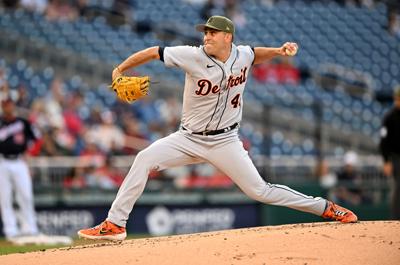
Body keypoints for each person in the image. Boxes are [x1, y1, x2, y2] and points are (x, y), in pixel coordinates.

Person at [78, 15, 357, 241]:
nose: (206, 36)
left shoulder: (242, 54)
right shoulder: (192, 55)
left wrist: (278, 51)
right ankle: (115, 224)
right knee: (144, 159)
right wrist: (120, 70)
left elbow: (254, 54)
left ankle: (325, 207)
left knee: (260, 191)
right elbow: (154, 51)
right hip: (187, 138)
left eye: (213, 32)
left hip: (226, 141)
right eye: (205, 32)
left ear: (228, 37)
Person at [0, 97, 40, 241]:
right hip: (2, 161)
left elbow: (37, 138)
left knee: (25, 195)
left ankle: (30, 228)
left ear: (13, 106)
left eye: (9, 104)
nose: (7, 107)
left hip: (19, 161)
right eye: (5, 105)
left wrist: (29, 154)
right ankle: (10, 230)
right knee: (5, 198)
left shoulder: (22, 123)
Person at [379, 86, 400, 220]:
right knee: (398, 188)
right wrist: (386, 161)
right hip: (396, 158)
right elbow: (383, 141)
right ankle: (396, 219)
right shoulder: (389, 117)